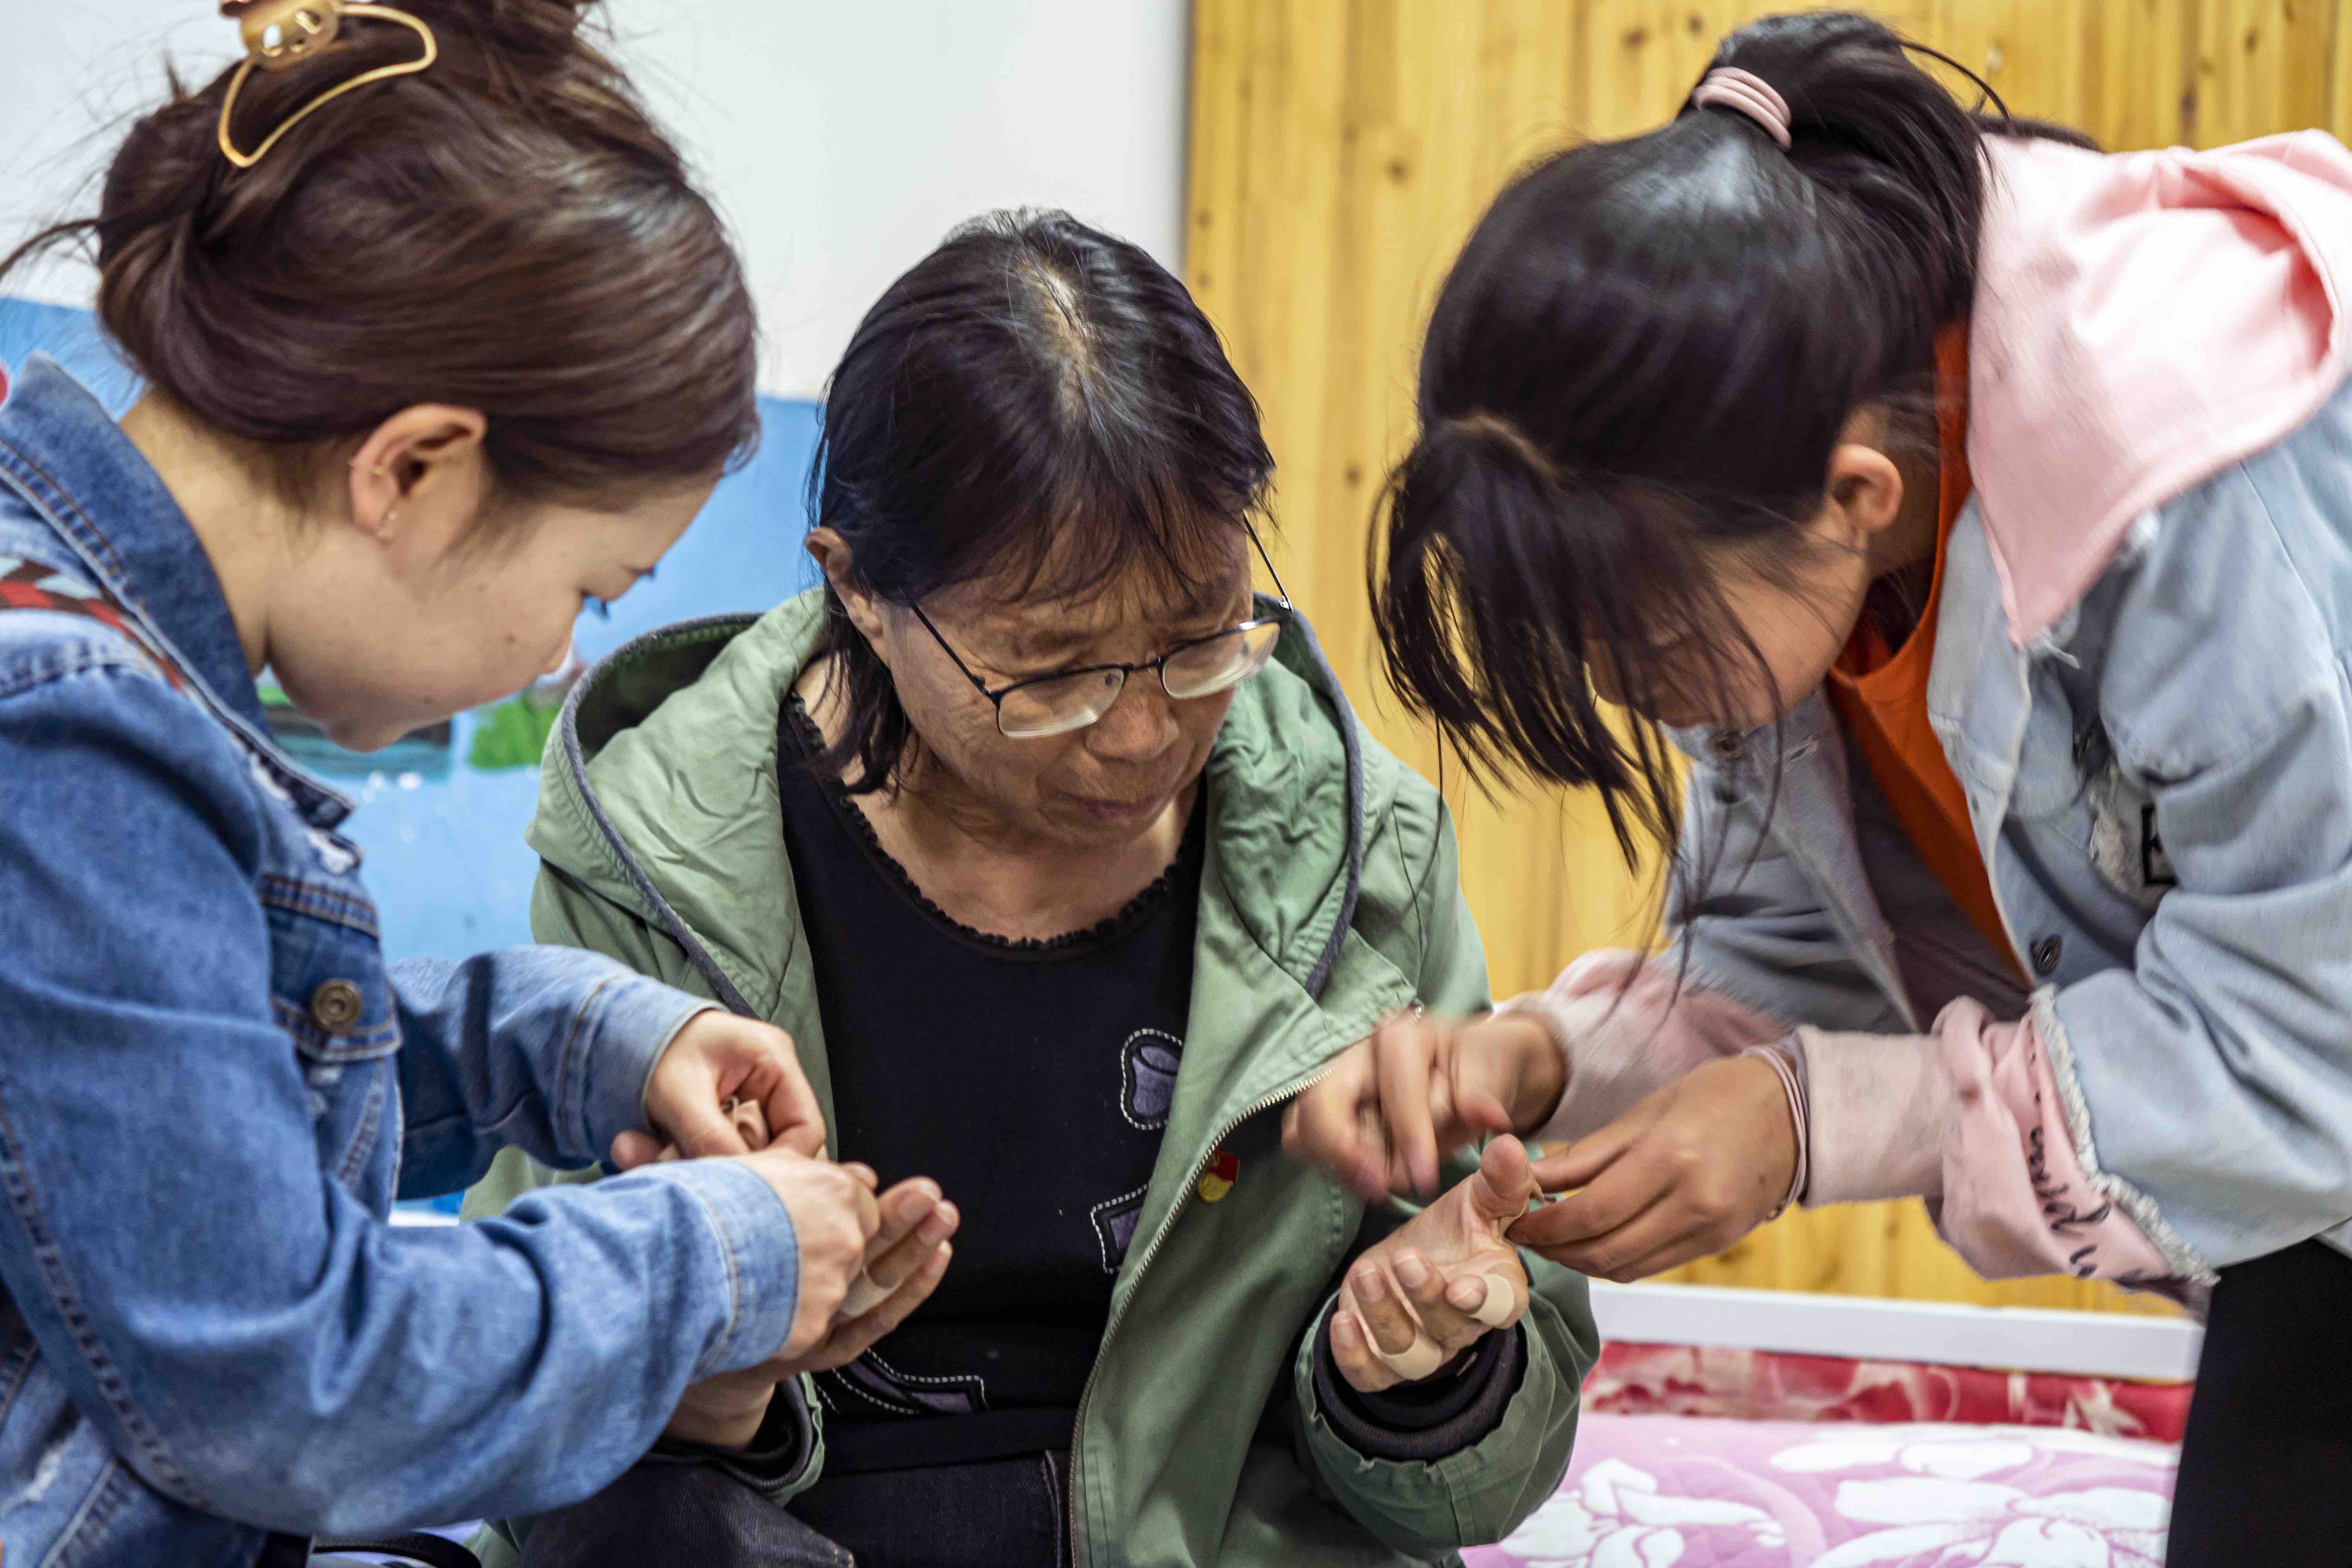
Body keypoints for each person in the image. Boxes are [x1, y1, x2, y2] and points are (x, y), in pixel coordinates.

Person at [1281, 12, 2352, 1563]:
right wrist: (1534, 1059)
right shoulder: (1787, 511)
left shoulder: (2199, 471)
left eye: (1644, 645)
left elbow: (2313, 1047)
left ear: (1859, 493)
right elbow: (1787, 962)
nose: (1623, 692)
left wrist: (1806, 1125)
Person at [464, 209, 1597, 1568]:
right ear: (859, 591)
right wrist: (703, 1392)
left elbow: (1472, 1472)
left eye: (1200, 640)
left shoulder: (1359, 856)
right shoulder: (661, 856)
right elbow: (533, 1421)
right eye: (1053, 673)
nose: (1143, 736)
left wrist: (1418, 1377)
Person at [0, 3, 940, 1563]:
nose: (563, 656)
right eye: (588, 590)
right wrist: (714, 1256)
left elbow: (178, 1103)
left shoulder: (65, 653)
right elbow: (283, 1377)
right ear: (416, 470)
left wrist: (583, 1042)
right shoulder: (74, 738)